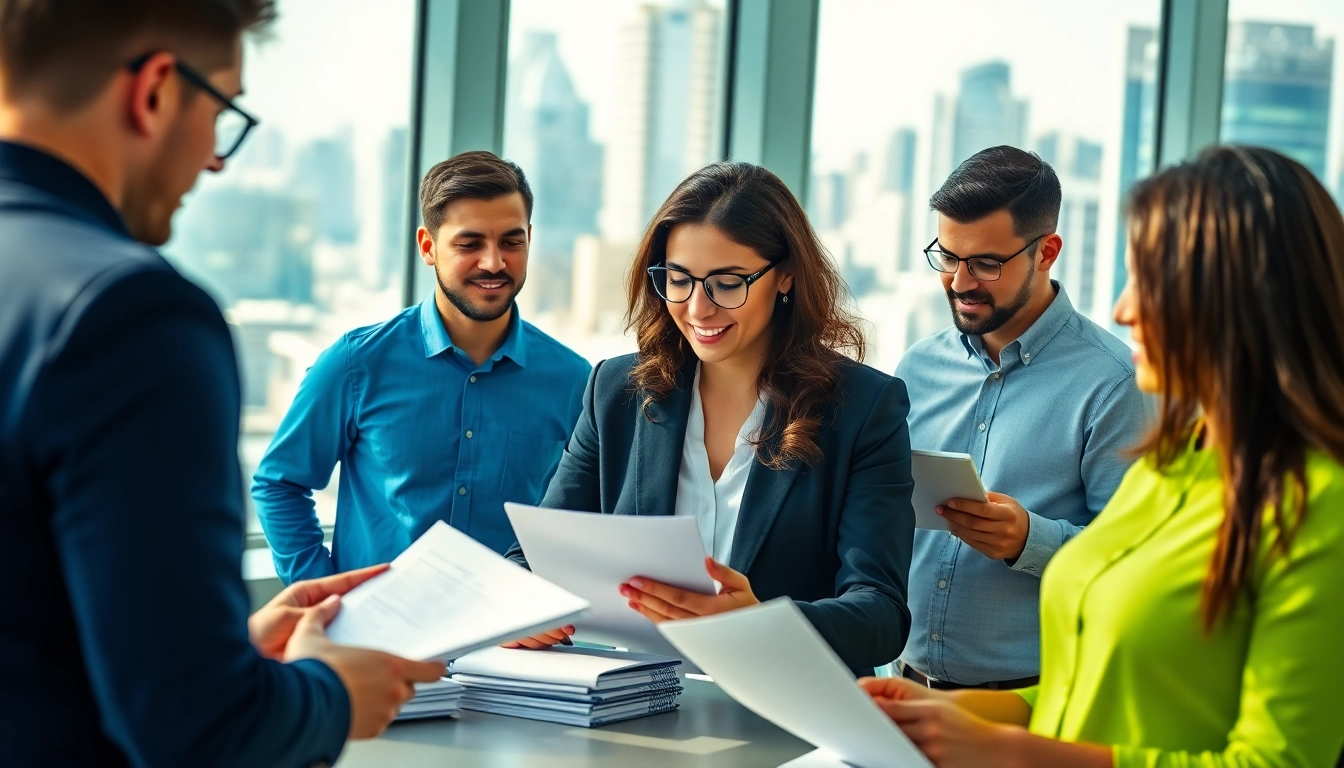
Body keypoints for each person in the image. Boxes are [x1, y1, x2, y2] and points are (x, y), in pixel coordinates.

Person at [0, 2, 443, 765]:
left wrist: (213, 648)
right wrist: (331, 694)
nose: (215, 160)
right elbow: (198, 728)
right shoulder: (131, 315)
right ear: (158, 91)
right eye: (223, 112)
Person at [860, 145, 1344, 767]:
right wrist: (955, 713)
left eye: (1153, 282)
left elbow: (1280, 763)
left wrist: (1014, 753)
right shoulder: (1173, 466)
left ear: (1249, 299)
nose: (1124, 308)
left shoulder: (1321, 505)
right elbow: (1081, 693)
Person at [505, 162, 915, 674]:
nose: (698, 308)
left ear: (785, 274)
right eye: (678, 280)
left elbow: (881, 614)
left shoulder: (863, 407)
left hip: (785, 716)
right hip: (633, 707)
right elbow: (535, 556)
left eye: (726, 283)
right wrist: (521, 606)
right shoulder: (616, 392)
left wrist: (762, 622)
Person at [253, 151, 590, 583]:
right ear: (428, 247)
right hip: (375, 642)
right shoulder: (357, 363)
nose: (494, 262)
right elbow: (279, 484)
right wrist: (324, 598)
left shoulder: (572, 380)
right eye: (470, 244)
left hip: (512, 645)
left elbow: (584, 518)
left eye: (511, 241)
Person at [896, 146, 1149, 689]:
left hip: (1032, 703)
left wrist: (1028, 540)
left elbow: (1137, 561)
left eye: (987, 263)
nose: (960, 282)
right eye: (947, 257)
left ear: (1047, 252)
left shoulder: (1115, 382)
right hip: (907, 685)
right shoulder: (917, 366)